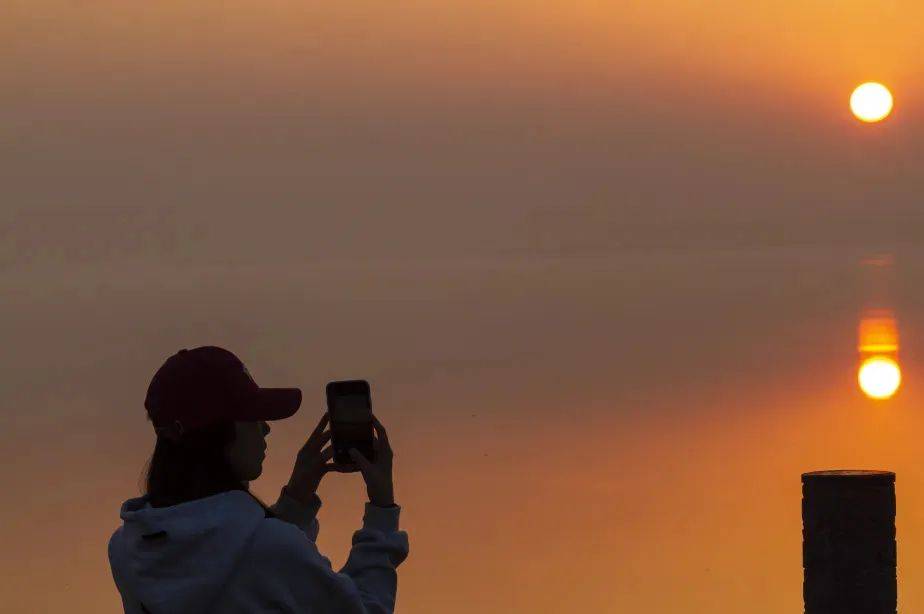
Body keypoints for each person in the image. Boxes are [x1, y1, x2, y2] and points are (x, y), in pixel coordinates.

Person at [107, 346, 409, 613]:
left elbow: (231, 565)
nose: (265, 428)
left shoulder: (126, 551)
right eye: (252, 416)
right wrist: (382, 512)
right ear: (220, 434)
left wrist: (295, 504)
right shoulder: (271, 549)